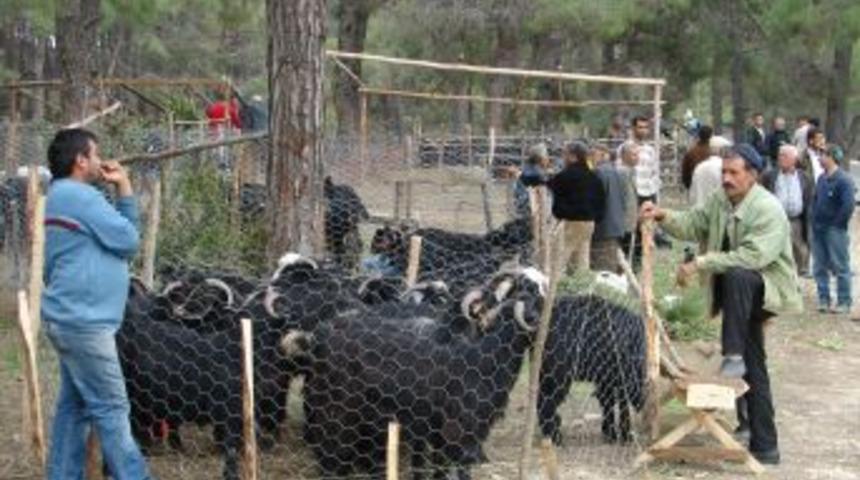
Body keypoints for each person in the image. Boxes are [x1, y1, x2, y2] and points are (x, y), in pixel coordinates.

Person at [640, 144, 802, 466]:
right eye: (724, 172)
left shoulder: (767, 208)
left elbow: (754, 257)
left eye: (734, 173)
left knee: (739, 275)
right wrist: (663, 215)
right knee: (755, 365)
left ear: (753, 176)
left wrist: (699, 263)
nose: (726, 178)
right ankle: (765, 445)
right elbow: (693, 223)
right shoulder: (720, 200)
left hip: (765, 292)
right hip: (739, 299)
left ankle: (733, 354)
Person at [41, 129, 151, 479]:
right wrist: (125, 188)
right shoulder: (80, 197)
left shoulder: (58, 196)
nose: (101, 160)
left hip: (70, 319)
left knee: (75, 408)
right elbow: (128, 240)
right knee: (112, 407)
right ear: (81, 160)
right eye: (95, 153)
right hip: (85, 324)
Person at [545, 141, 605, 272]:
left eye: (565, 154)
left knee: (558, 258)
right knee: (582, 259)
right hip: (589, 222)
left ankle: (553, 287)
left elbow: (549, 185)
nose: (563, 157)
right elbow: (601, 200)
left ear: (573, 156)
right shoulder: (593, 176)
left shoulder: (568, 174)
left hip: (573, 222)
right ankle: (581, 286)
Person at [811, 145, 856, 314]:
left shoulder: (844, 180)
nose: (819, 159)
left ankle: (844, 301)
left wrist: (837, 224)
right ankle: (824, 299)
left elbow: (848, 205)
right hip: (818, 228)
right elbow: (815, 200)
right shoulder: (821, 178)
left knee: (840, 266)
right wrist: (813, 218)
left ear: (832, 157)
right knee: (819, 266)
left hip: (835, 230)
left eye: (823, 155)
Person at [760, 145, 814, 276]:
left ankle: (801, 273)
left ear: (794, 159)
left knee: (800, 249)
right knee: (776, 250)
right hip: (776, 220)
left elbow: (808, 199)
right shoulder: (769, 175)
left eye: (784, 155)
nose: (780, 158)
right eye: (780, 155)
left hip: (796, 220)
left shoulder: (804, 177)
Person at [591, 143, 629, 273]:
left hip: (602, 227)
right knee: (612, 265)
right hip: (617, 225)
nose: (591, 159)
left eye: (593, 155)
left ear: (602, 155)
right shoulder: (620, 173)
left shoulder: (597, 173)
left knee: (602, 270)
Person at [688, 135, 732, 206]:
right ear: (720, 150)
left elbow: (693, 193)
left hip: (699, 210)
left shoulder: (699, 167)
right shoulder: (723, 167)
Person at [513, 143, 553, 218]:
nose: (548, 159)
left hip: (522, 208)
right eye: (546, 156)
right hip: (530, 210)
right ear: (540, 159)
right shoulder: (536, 174)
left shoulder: (528, 168)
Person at [681, 125, 714, 190]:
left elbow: (685, 174)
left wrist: (690, 187)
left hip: (695, 188)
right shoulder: (713, 154)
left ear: (699, 136)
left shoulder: (691, 153)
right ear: (710, 137)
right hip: (711, 188)